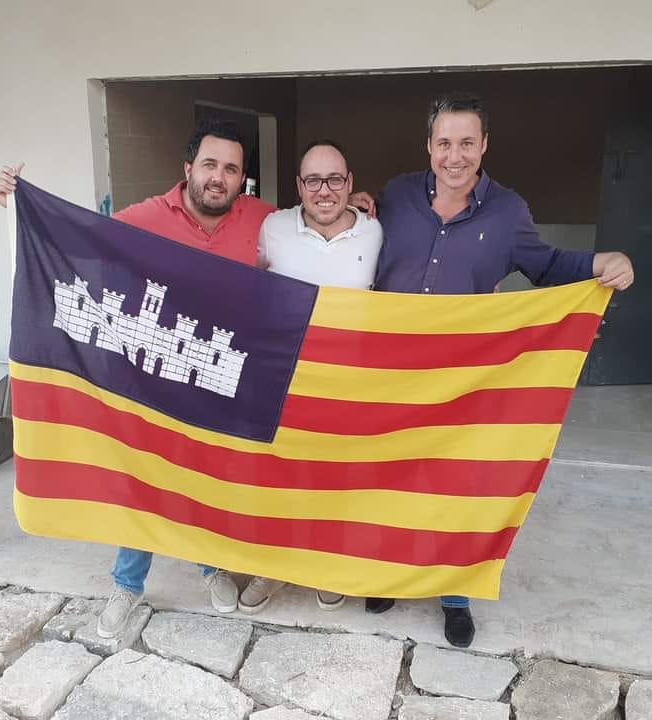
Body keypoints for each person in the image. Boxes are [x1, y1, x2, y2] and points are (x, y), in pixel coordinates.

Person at [360, 91, 635, 649]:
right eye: (444, 143)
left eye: (466, 143)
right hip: (391, 372)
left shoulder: (508, 212)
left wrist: (604, 262)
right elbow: (353, 236)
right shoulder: (395, 195)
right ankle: (388, 574)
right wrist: (353, 203)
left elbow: (549, 266)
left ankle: (455, 593)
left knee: (456, 485)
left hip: (466, 378)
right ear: (429, 146)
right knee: (391, 477)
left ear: (484, 145)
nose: (454, 156)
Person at [0, 119, 276, 636]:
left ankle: (211, 567)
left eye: (231, 169)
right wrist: (20, 207)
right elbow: (76, 239)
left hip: (218, 378)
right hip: (151, 380)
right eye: (210, 165)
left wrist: (357, 205)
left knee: (206, 479)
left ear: (242, 179)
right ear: (188, 168)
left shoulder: (260, 218)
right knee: (144, 482)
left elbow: (311, 225)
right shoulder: (146, 216)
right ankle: (127, 584)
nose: (219, 177)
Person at [237, 139, 384, 614]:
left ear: (350, 183)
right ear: (299, 186)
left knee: (336, 480)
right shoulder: (272, 228)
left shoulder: (375, 232)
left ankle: (327, 567)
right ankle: (272, 567)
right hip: (284, 381)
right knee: (279, 478)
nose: (325, 190)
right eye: (314, 180)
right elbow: (240, 280)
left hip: (347, 385)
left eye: (335, 179)